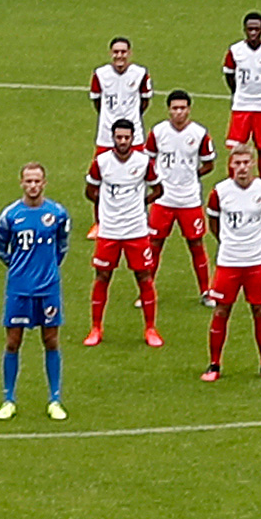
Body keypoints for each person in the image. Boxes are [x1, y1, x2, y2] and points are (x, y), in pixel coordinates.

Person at [0, 162, 73, 421]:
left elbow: (62, 246)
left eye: (37, 181)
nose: (33, 186)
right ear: (21, 183)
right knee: (13, 342)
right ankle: (8, 399)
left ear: (44, 183)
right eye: (28, 181)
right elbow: (1, 248)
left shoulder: (57, 214)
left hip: (48, 289)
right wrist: (19, 268)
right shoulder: (10, 216)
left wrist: (47, 269)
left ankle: (55, 399)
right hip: (19, 288)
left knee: (50, 340)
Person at [204, 146, 261, 382]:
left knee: (260, 310)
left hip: (257, 262)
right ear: (230, 165)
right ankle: (214, 365)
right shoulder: (219, 192)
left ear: (253, 164)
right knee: (221, 310)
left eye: (246, 162)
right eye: (237, 163)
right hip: (228, 262)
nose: (241, 168)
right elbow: (214, 223)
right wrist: (229, 243)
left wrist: (257, 243)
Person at [84, 118, 163, 348]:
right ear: (113, 138)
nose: (122, 142)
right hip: (109, 231)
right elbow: (90, 190)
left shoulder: (143, 162)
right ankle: (96, 328)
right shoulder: (101, 162)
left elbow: (158, 189)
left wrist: (141, 203)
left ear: (133, 138)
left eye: (126, 137)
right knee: (102, 276)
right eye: (118, 137)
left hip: (136, 230)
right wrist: (106, 208)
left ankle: (150, 328)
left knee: (144, 277)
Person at [148, 91, 219, 304]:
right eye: (175, 108)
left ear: (189, 109)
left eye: (183, 108)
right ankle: (147, 292)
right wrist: (158, 180)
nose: (179, 112)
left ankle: (206, 291)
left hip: (189, 200)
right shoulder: (158, 132)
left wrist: (191, 176)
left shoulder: (199, 134)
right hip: (163, 199)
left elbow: (208, 164)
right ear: (169, 109)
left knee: (196, 244)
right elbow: (148, 160)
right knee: (155, 244)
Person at [222, 14, 261, 179]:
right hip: (241, 106)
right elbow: (229, 74)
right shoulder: (235, 50)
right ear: (244, 30)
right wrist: (239, 92)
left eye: (256, 29)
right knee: (236, 147)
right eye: (250, 29)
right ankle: (232, 179)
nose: (253, 33)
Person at [87, 36, 150, 153]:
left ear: (129, 53)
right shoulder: (100, 74)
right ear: (110, 53)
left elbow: (145, 101)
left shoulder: (140, 73)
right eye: (116, 52)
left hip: (134, 135)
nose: (120, 55)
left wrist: (133, 114)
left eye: (123, 52)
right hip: (106, 136)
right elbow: (97, 102)